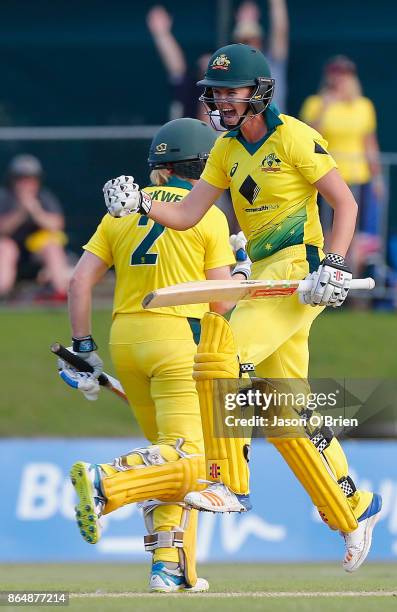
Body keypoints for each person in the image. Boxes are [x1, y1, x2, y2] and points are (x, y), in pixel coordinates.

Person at [103, 44, 382, 573]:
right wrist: (142, 201)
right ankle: (354, 507)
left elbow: (345, 203)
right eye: (216, 92)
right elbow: (185, 213)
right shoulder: (226, 151)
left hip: (300, 273)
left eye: (230, 92)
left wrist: (336, 265)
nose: (220, 101)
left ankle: (226, 481)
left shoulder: (295, 135)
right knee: (284, 414)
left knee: (221, 355)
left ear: (258, 93)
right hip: (263, 273)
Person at [61, 118, 240, 592]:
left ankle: (168, 567)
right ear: (203, 166)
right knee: (193, 459)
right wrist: (242, 274)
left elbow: (79, 281)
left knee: (174, 461)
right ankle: (107, 482)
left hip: (126, 339)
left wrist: (82, 350)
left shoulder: (120, 211)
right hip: (180, 336)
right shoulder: (210, 214)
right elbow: (222, 302)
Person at [299, 56, 384, 276]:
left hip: (358, 178)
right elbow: (305, 137)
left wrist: (378, 178)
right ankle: (325, 277)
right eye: (334, 73)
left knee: (355, 233)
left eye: (344, 74)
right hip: (325, 177)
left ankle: (348, 283)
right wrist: (324, 108)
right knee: (326, 231)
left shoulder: (364, 106)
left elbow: (369, 144)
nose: (339, 79)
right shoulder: (315, 103)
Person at [0, 154, 69, 301]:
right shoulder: (4, 197)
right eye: (21, 179)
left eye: (30, 179)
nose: (26, 183)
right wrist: (20, 212)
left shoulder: (44, 197)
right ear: (13, 180)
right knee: (6, 248)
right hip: (9, 257)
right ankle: (2, 293)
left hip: (36, 258)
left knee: (51, 246)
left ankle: (60, 291)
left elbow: (57, 225)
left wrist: (35, 211)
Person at [233, 0, 289, 112]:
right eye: (244, 40)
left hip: (274, 127)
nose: (248, 44)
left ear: (259, 41)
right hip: (242, 126)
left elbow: (280, 29)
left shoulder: (272, 61)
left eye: (252, 39)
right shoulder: (231, 66)